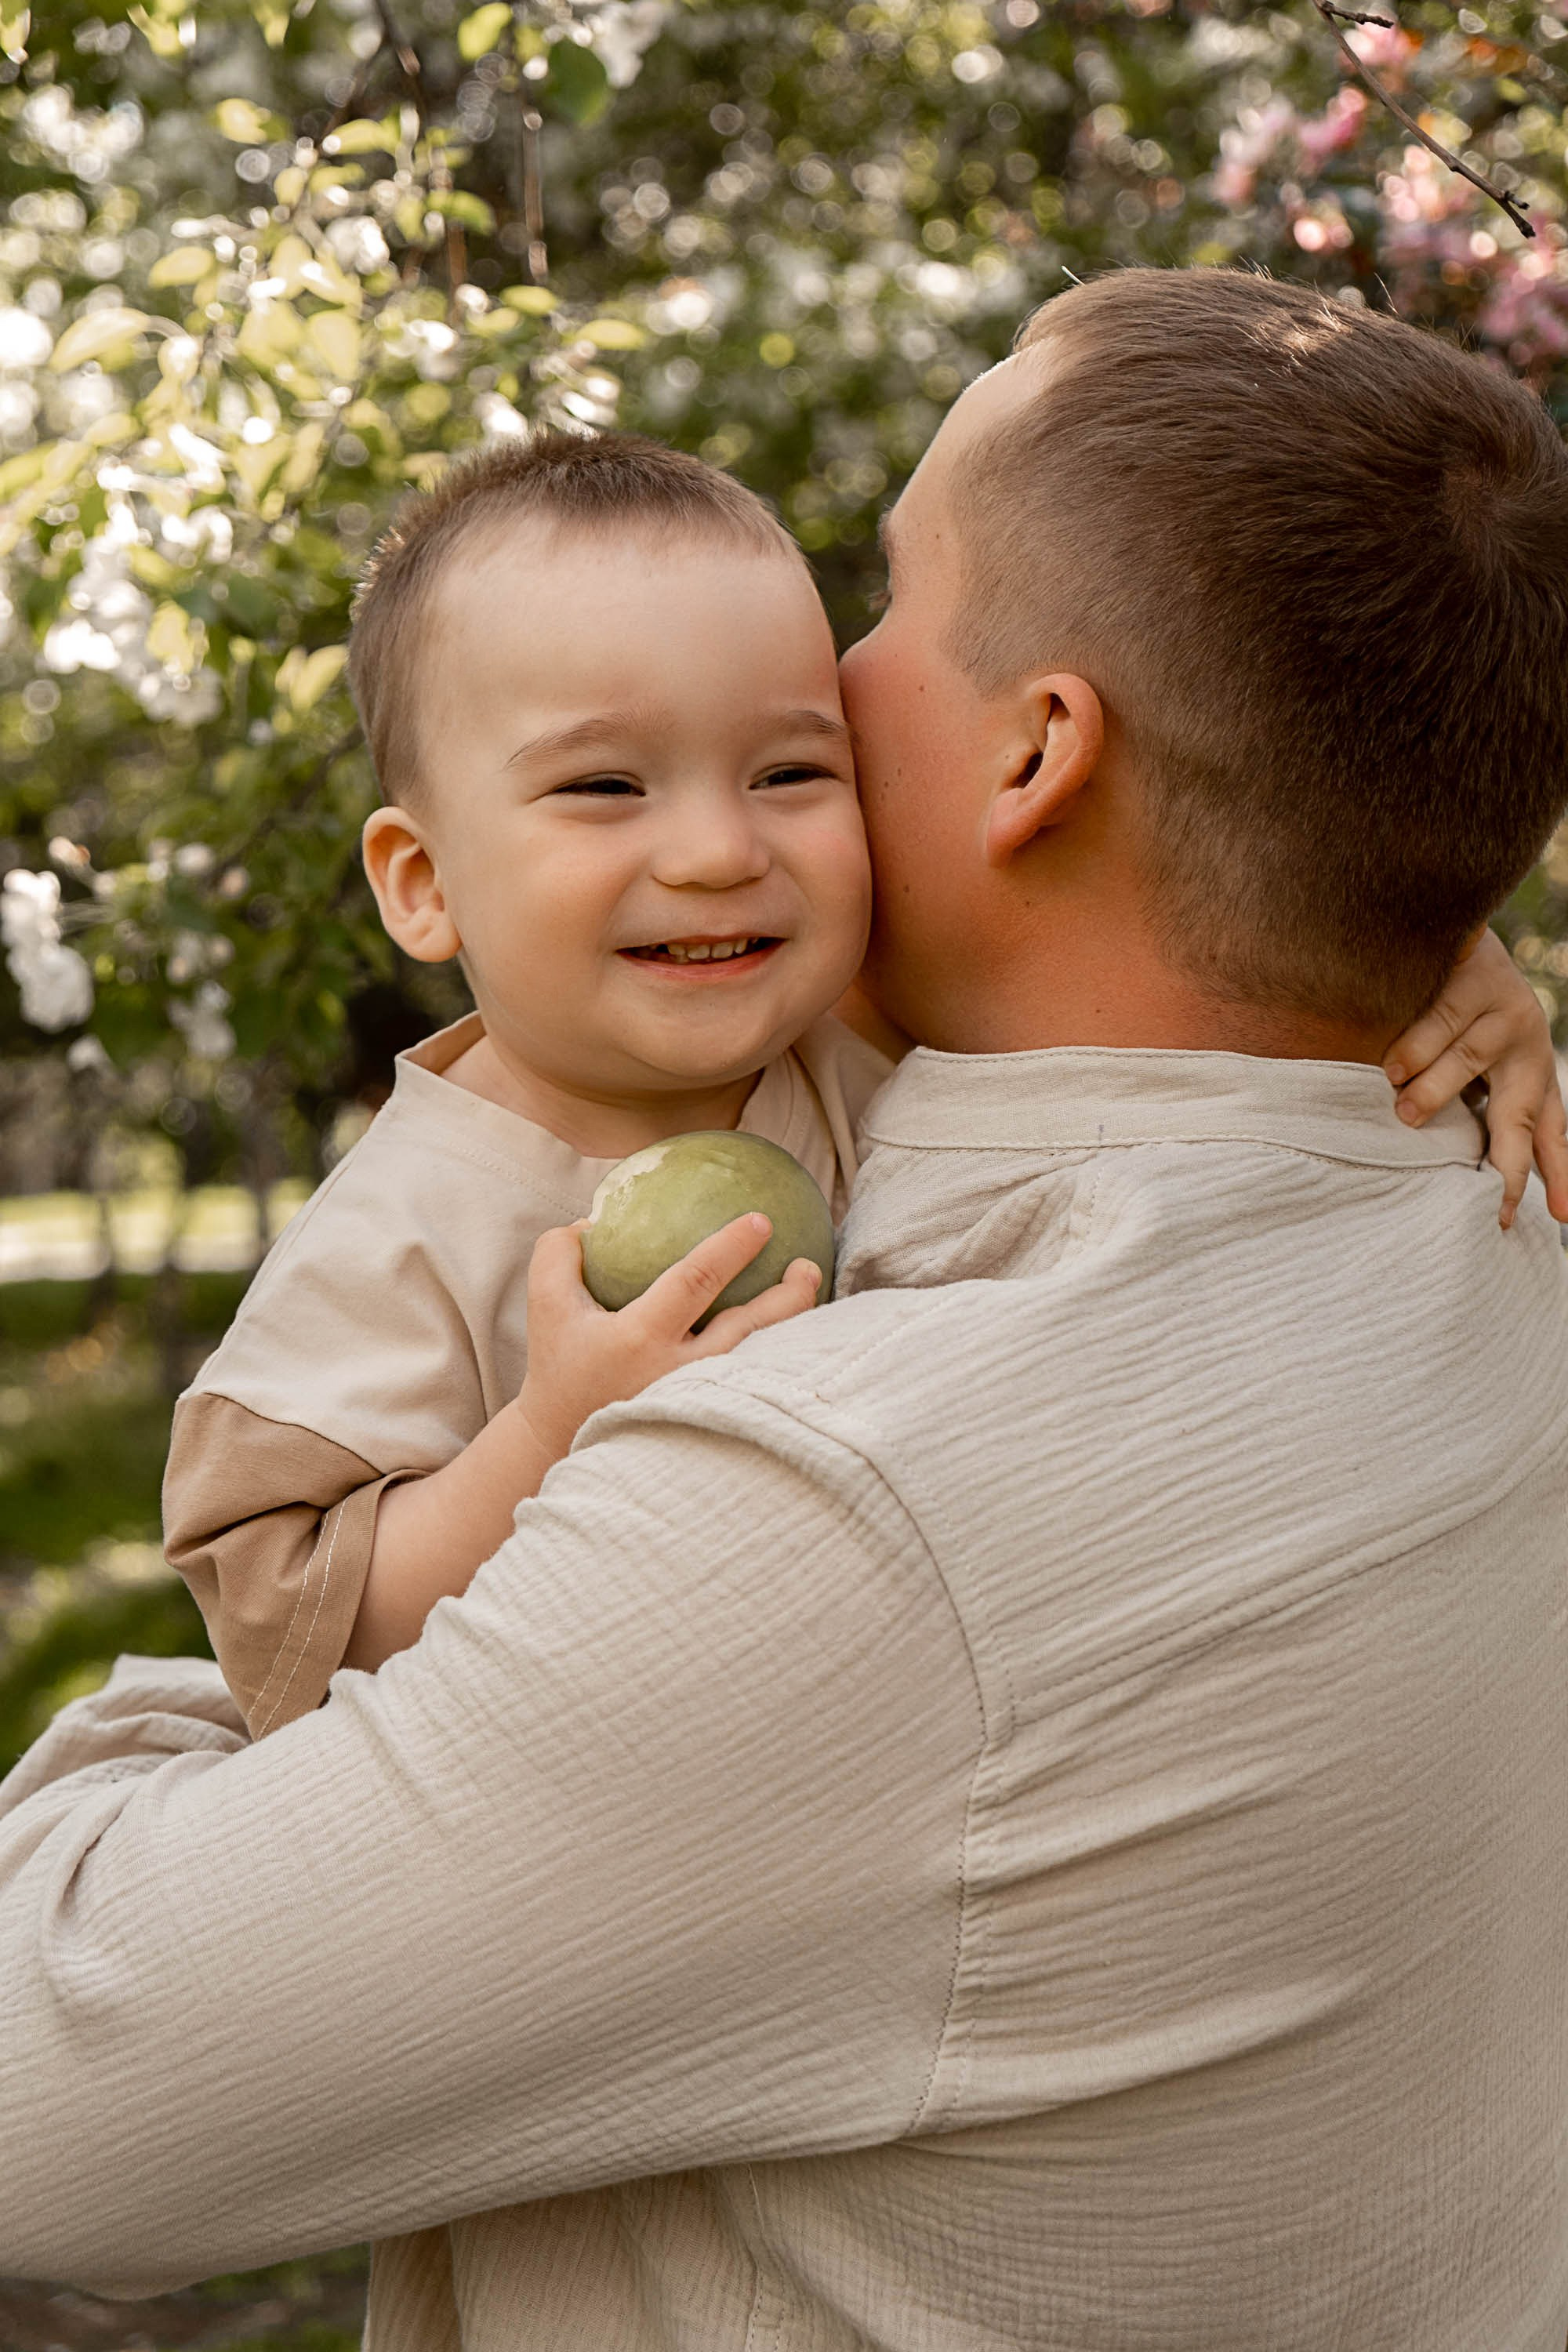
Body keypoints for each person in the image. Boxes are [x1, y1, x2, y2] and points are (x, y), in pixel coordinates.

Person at [4, 267, 1568, 2352]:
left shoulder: (855, 1524)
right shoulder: (1492, 1209)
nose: (827, 665)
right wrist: (1422, 948)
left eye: (891, 601)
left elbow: (49, 2112)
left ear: (1036, 754)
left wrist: (332, 1665)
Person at [162, 427, 1555, 1739]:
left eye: (789, 769)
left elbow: (1210, 935)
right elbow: (292, 1627)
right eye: (602, 788)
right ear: (423, 881)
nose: (717, 850)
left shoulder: (843, 1020)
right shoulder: (398, 1237)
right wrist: (545, 1430)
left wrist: (1443, 963)